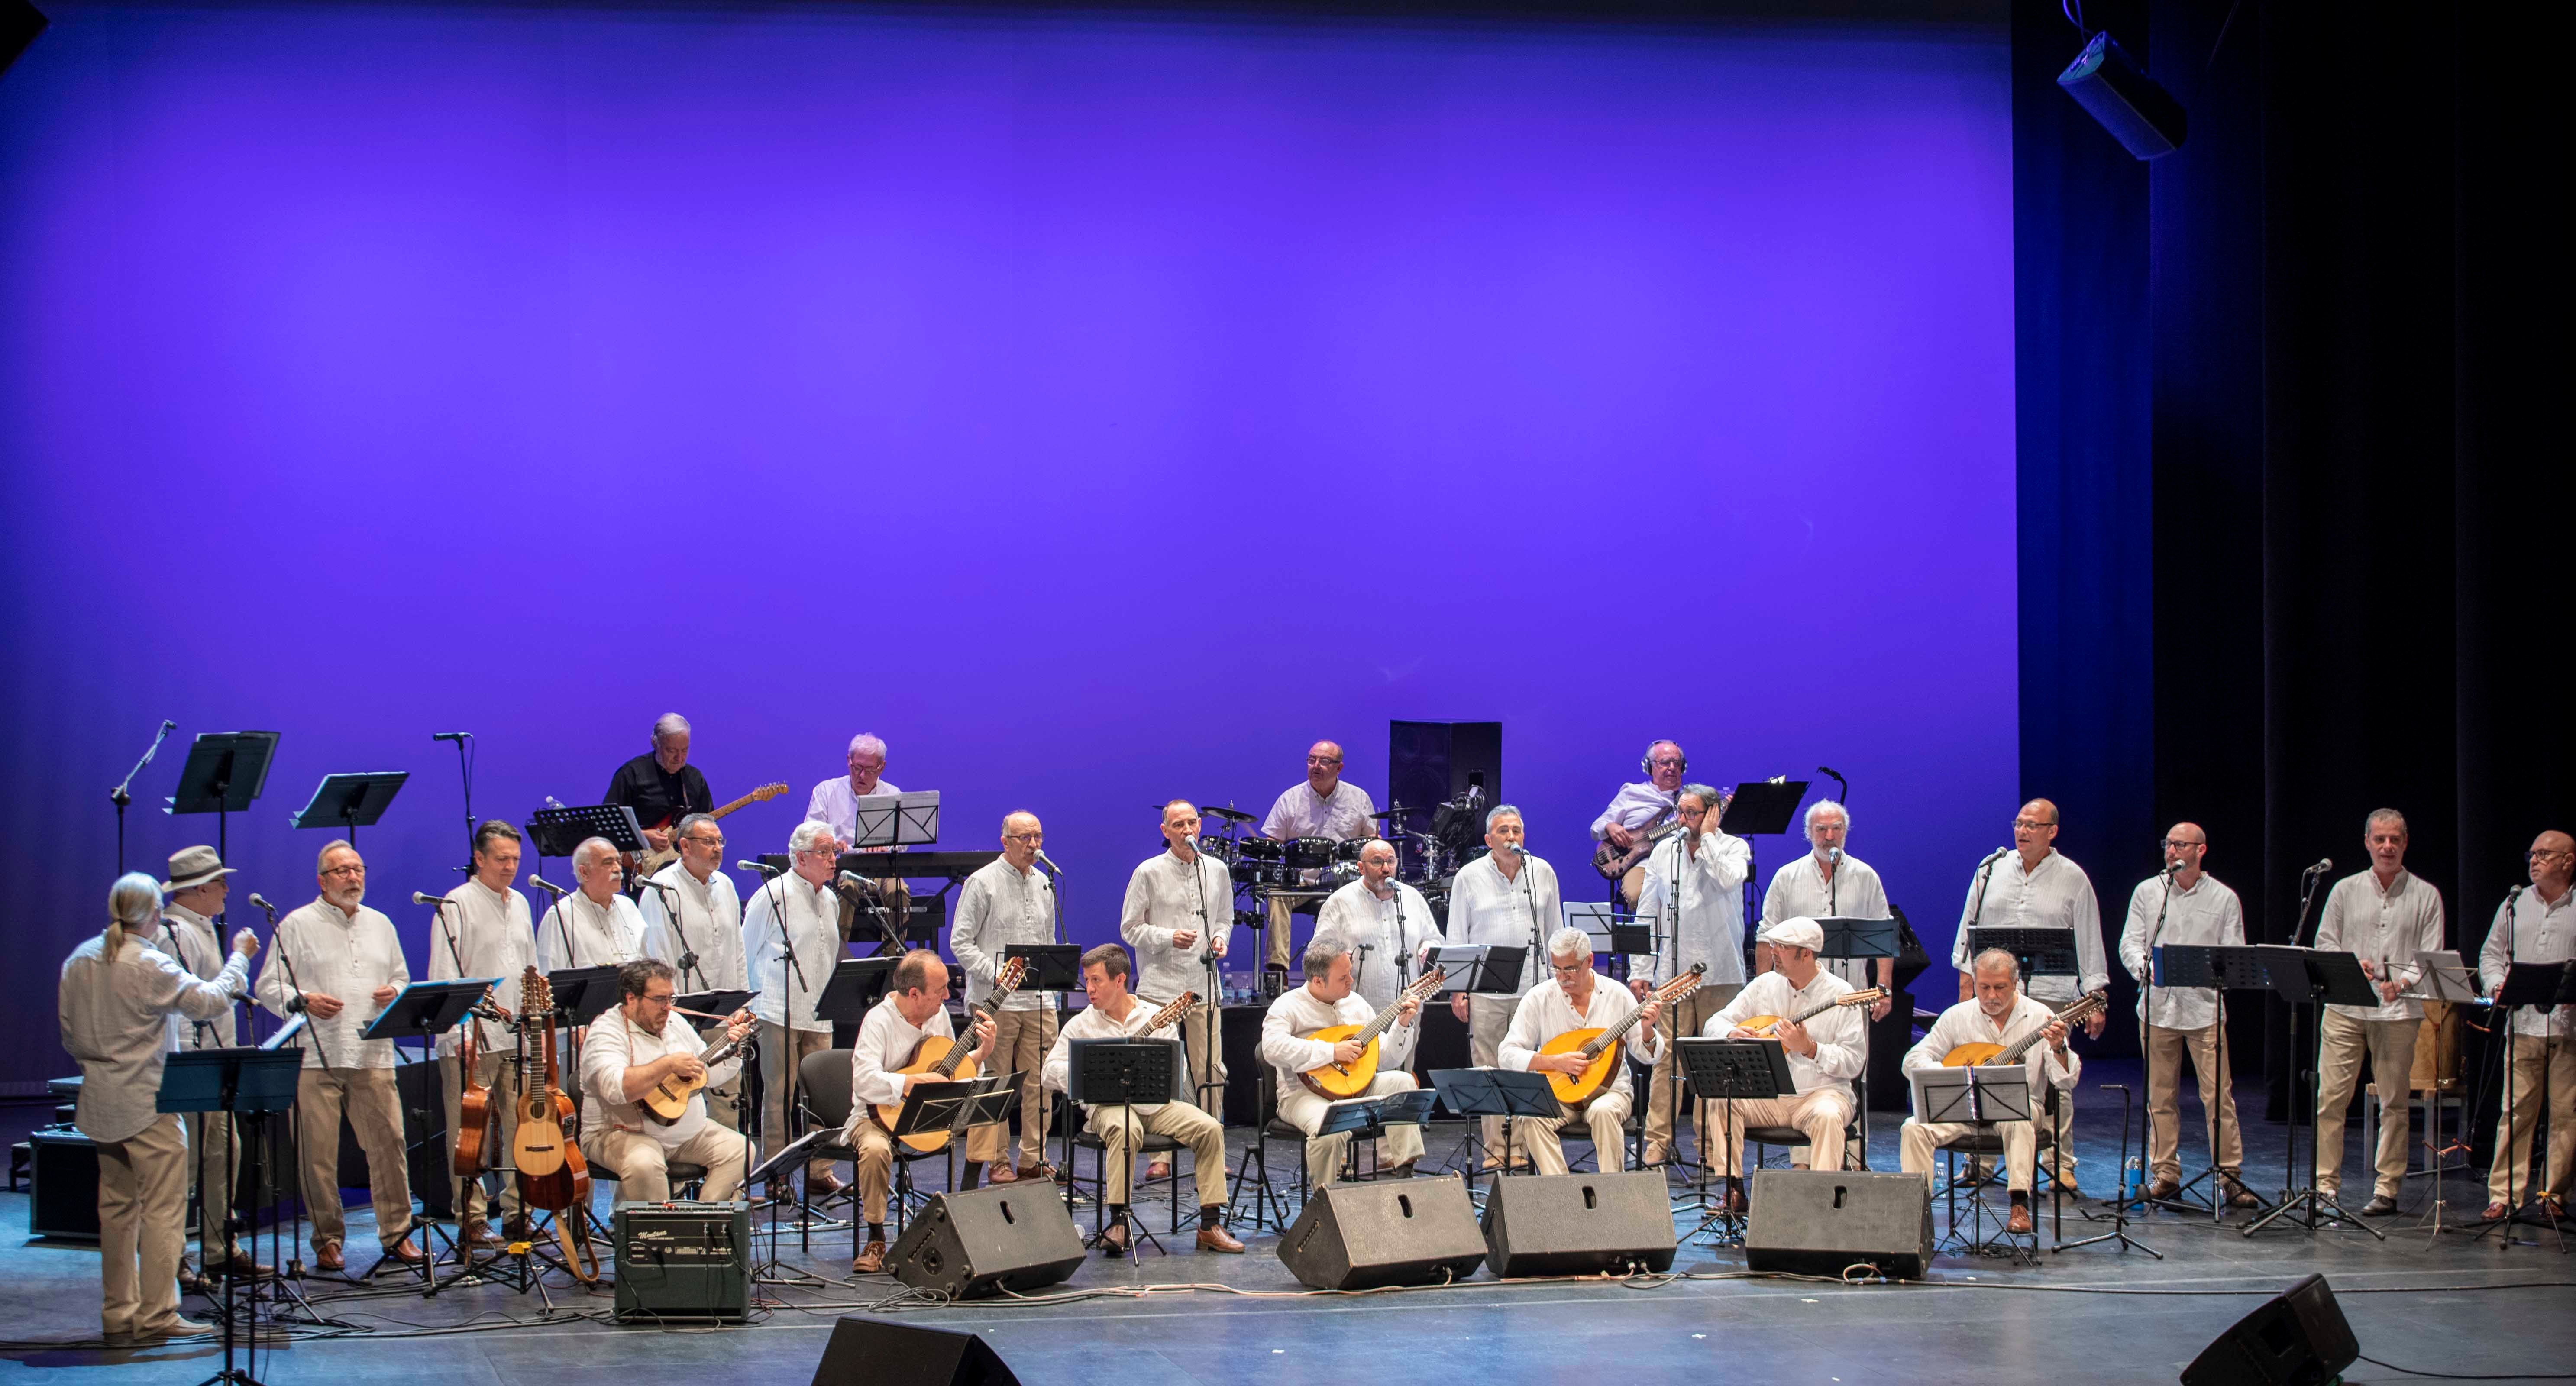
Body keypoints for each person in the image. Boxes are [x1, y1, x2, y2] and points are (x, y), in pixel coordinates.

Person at [62, 872, 257, 1344]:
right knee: (164, 1213)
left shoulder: (79, 959)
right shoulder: (148, 962)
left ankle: (118, 1311)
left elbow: (69, 1036)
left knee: (117, 1212)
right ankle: (157, 1314)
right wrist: (240, 957)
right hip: (150, 1102)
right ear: (152, 915)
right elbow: (210, 1001)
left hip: (101, 1100)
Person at [253, 841, 422, 1271]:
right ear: (322, 880)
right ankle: (327, 1239)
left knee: (390, 1143)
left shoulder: (381, 923)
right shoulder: (296, 924)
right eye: (342, 870)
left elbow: (401, 977)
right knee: (318, 1154)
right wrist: (303, 999)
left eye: (357, 868)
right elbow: (269, 988)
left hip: (372, 1049)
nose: (352, 877)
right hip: (316, 1052)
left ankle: (398, 1231)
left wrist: (395, 992)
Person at [1039, 944, 1244, 1255]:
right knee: (1125, 1129)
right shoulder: (1081, 1023)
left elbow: (1176, 1072)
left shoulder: (1156, 1017)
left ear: (1120, 980)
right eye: (1087, 981)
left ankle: (1209, 1225)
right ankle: (1118, 1221)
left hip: (1154, 1105)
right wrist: (1090, 1071)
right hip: (1107, 1107)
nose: (1090, 989)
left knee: (1210, 1128)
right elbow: (1048, 1073)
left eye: (1097, 981)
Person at [1951, 798, 2107, 1192]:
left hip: (2052, 993)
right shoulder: (1990, 870)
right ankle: (1980, 1159)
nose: (2022, 831)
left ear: (2052, 831)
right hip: (1995, 996)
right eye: (2019, 823)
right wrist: (1967, 984)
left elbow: (2088, 936)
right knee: (1985, 1071)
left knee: (2053, 1077)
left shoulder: (2073, 877)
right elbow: (1970, 929)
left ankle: (2059, 1163)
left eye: (2032, 825)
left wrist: (2095, 994)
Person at [2312, 808, 2448, 1217]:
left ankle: (2387, 1188)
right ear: (2367, 842)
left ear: (2405, 843)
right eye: (2379, 839)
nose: (2386, 846)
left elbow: (2430, 955)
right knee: (2330, 1099)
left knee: (2394, 1102)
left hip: (2398, 1013)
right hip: (2345, 1009)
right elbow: (2324, 944)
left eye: (2394, 839)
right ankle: (2324, 1186)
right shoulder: (2344, 890)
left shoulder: (2426, 895)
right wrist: (2355, 965)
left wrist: (2400, 983)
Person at [2117, 823, 2256, 1207]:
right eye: (2168, 844)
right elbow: (2130, 941)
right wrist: (2144, 968)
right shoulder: (2149, 891)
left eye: (2180, 845)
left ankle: (2229, 1175)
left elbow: (2235, 952)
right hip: (2157, 1008)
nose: (2172, 850)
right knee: (2160, 1096)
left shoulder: (2224, 897)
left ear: (2200, 850)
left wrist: (2209, 971)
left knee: (2218, 1097)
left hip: (2203, 1011)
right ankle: (2165, 1173)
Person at [1898, 949, 2081, 1235]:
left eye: (2000, 987)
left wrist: (2059, 1048)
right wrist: (1952, 1074)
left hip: (2022, 1105)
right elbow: (1912, 1060)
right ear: (1974, 983)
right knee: (1913, 1128)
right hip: (1964, 1110)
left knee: (2017, 1118)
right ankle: (1915, 1213)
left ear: (2015, 983)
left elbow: (2066, 1080)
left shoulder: (2040, 1017)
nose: (1991, 996)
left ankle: (2019, 1203)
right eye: (1984, 987)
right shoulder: (1957, 1017)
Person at [844, 950, 996, 1274]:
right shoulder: (878, 1020)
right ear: (914, 994)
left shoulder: (937, 1015)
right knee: (873, 1150)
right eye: (940, 989)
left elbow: (953, 1073)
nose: (947, 995)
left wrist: (980, 1055)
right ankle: (875, 1238)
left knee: (989, 1105)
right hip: (877, 1117)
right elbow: (863, 1082)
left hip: (928, 1112)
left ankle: (964, 1206)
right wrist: (911, 1081)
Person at [155, 845, 266, 1283]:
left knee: (224, 1153)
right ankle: (174, 1256)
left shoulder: (199, 928)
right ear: (201, 887)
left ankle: (221, 1247)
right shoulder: (172, 932)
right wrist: (241, 955)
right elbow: (197, 1000)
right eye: (220, 882)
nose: (226, 889)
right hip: (192, 1063)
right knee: (187, 1164)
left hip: (216, 1060)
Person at [1699, 917, 1864, 1209]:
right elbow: (1716, 1021)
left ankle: (1824, 1201)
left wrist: (1810, 1049)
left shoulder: (1842, 994)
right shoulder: (1765, 985)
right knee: (1721, 1100)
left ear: (1807, 954)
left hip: (1821, 1095)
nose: (1773, 952)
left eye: (1783, 947)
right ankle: (1733, 1189)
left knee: (1827, 1116)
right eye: (1773, 945)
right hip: (1770, 1096)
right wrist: (1730, 1032)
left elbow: (1853, 1063)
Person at [426, 821, 537, 1248]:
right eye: (501, 859)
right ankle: (471, 1218)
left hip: (513, 1038)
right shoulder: (457, 903)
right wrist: (458, 1032)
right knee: (470, 1134)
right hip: (470, 1039)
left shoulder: (522, 902)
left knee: (520, 1129)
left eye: (515, 859)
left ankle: (516, 1212)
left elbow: (528, 966)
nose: (510, 866)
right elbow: (444, 974)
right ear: (479, 858)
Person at [1632, 783, 1751, 1166]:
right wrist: (1640, 968)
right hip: (1672, 975)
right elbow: (1648, 911)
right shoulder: (1664, 851)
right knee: (1666, 1061)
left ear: (1713, 814)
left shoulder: (1733, 848)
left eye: (1692, 813)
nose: (1682, 820)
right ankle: (1657, 1141)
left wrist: (1711, 838)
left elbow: (1727, 880)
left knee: (1716, 1063)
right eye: (1679, 812)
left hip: (1722, 972)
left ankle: (1712, 1146)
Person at [578, 959, 756, 1203]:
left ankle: (704, 1225)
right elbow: (615, 1088)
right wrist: (667, 1065)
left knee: (741, 1150)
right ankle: (658, 1237)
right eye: (659, 1000)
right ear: (631, 998)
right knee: (645, 1164)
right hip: (618, 1132)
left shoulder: (674, 1022)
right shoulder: (606, 1032)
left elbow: (711, 1076)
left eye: (671, 999)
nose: (667, 1008)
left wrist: (732, 1051)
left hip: (685, 1134)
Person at [1445, 805, 1561, 1166]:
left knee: (1528, 1067)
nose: (1512, 837)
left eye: (1517, 830)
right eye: (1503, 831)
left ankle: (1525, 1148)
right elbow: (1456, 934)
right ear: (1488, 840)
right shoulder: (1468, 876)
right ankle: (1497, 1150)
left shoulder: (1541, 872)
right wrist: (1458, 988)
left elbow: (1554, 929)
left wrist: (1559, 981)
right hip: (1486, 990)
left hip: (1533, 988)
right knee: (1490, 1068)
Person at [951, 811, 1061, 1186]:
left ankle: (1034, 1158)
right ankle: (997, 1161)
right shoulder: (983, 883)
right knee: (996, 1084)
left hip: (1038, 1001)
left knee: (1040, 1083)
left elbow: (1047, 943)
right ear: (1006, 842)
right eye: (1025, 837)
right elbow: (960, 942)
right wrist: (993, 973)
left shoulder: (1046, 884)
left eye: (1038, 837)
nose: (1033, 845)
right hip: (994, 1001)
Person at [1261, 938, 1425, 1188]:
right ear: (1318, 981)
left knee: (1402, 1082)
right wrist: (1331, 1051)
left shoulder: (1356, 1003)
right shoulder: (1287, 1006)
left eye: (1350, 974)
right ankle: (1325, 1199)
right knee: (1331, 1124)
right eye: (1343, 978)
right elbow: (1271, 1048)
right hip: (1303, 1095)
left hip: (1356, 1088)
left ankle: (1405, 1174)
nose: (1350, 981)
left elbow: (1387, 1059)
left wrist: (1402, 1025)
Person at [1502, 927, 1665, 1174]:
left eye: (1570, 969)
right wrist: (1555, 1062)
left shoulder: (1617, 995)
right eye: (1556, 969)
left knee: (1603, 1112)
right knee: (1532, 1118)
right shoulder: (1539, 998)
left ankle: (1612, 1196)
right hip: (1560, 1093)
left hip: (1608, 1093)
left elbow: (1648, 1056)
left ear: (1589, 961)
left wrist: (1647, 1031)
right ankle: (1566, 1198)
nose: (1562, 977)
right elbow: (1507, 1053)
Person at [742, 820, 848, 1197]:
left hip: (819, 1010)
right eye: (824, 852)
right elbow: (746, 950)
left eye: (833, 852)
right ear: (801, 857)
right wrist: (751, 1006)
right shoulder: (772, 895)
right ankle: (776, 1174)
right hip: (776, 1008)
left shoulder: (831, 899)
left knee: (823, 1096)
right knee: (779, 1095)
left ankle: (820, 1172)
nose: (832, 859)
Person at [1120, 801, 1234, 1128]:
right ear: (1165, 831)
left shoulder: (1216, 870)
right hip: (1161, 987)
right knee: (1159, 1068)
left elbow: (1225, 918)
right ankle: (1159, 1153)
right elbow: (1129, 928)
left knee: (1210, 1068)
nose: (1186, 831)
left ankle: (1209, 1144)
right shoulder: (1148, 872)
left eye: (1191, 824)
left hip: (1203, 985)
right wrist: (1169, 937)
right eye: (1178, 825)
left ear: (1200, 826)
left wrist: (1221, 938)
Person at [2481, 830, 2575, 1223]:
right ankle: (2504, 1194)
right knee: (2514, 1113)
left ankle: (2552, 1194)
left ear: (2567, 862)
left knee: (2566, 1115)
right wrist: (2495, 984)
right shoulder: (2514, 903)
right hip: (2522, 1025)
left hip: (2568, 1028)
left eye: (2544, 854)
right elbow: (2491, 954)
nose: (2534, 861)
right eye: (2531, 854)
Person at [638, 813, 748, 1129]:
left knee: (728, 1101)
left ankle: (728, 1175)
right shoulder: (661, 888)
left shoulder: (725, 886)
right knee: (681, 1103)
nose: (717, 848)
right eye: (708, 841)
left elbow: (737, 949)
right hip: (680, 1015)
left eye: (720, 841)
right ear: (684, 846)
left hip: (724, 1014)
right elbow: (657, 957)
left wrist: (742, 1003)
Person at [1759, 799, 1894, 1007]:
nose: (1829, 837)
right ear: (1809, 832)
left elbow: (1884, 935)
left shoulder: (1866, 876)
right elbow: (1766, 936)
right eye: (1821, 829)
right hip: (1794, 994)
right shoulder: (1786, 877)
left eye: (1836, 829)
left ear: (1846, 831)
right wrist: (1761, 990)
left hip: (1852, 993)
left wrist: (1884, 988)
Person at [1257, 740, 1379, 970]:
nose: (1316, 766)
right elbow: (1272, 843)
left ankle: (1360, 970)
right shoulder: (1290, 799)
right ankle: (1278, 971)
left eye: (1324, 761)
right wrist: (1265, 847)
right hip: (1303, 883)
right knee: (1276, 895)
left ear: (1339, 768)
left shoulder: (1359, 798)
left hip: (1348, 883)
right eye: (1312, 760)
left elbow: (1373, 843)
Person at [802, 732, 910, 944]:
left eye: (869, 770)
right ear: (848, 761)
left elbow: (903, 842)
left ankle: (894, 963)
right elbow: (808, 834)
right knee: (849, 887)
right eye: (857, 768)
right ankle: (836, 957)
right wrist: (829, 844)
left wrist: (888, 846)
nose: (861, 775)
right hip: (841, 870)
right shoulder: (827, 791)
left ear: (882, 767)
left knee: (899, 891)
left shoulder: (893, 794)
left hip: (881, 870)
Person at [1312, 838, 1441, 1016]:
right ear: (1361, 868)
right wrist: (1336, 956)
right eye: (1377, 862)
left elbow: (1433, 938)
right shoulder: (1339, 902)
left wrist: (1427, 948)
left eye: (1391, 861)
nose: (1386, 869)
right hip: (1356, 1014)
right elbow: (1318, 951)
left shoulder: (1412, 898)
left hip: (1409, 1011)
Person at [536, 837, 658, 972]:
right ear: (585, 872)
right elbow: (549, 977)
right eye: (608, 863)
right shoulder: (560, 916)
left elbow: (646, 964)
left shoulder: (628, 906)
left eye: (618, 862)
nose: (618, 869)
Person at [1591, 740, 1690, 904]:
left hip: (1681, 861)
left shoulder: (1691, 797)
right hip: (1643, 863)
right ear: (1649, 767)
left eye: (1677, 763)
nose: (1672, 768)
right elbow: (1597, 828)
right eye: (1665, 763)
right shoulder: (1632, 792)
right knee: (1638, 895)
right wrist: (1610, 827)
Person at [604, 713, 711, 860]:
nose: (679, 758)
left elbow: (709, 824)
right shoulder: (631, 774)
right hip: (641, 867)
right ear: (655, 743)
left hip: (684, 868)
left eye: (685, 750)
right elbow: (608, 826)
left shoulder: (695, 778)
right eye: (672, 751)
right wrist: (643, 836)